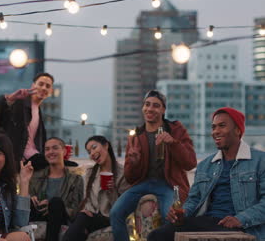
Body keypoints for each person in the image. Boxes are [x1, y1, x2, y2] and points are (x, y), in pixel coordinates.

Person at [148, 107, 265, 241]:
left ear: (238, 130)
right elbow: (194, 199)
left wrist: (240, 219)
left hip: (243, 226)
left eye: (222, 126)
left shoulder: (260, 161)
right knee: (156, 236)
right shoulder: (206, 165)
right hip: (208, 221)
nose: (216, 131)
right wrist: (183, 213)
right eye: (213, 127)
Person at [110, 90, 197, 241]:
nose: (150, 109)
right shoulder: (136, 135)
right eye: (147, 104)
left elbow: (190, 163)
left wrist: (173, 143)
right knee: (115, 212)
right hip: (143, 183)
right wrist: (134, 163)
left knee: (171, 216)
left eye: (156, 106)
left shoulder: (176, 129)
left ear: (163, 110)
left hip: (171, 185)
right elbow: (130, 178)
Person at [63, 136, 130, 241]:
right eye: (89, 151)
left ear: (106, 145)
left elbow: (123, 208)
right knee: (80, 225)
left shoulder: (122, 173)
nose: (92, 153)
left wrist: (111, 191)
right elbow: (87, 199)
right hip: (92, 217)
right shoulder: (90, 173)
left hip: (110, 217)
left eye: (94, 147)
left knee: (81, 221)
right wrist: (87, 211)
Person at [29, 137, 84, 241]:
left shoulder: (76, 179)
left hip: (61, 217)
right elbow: (29, 200)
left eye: (55, 148)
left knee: (56, 202)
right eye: (47, 149)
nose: (51, 152)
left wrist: (51, 206)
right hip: (39, 214)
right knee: (27, 201)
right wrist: (33, 199)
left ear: (64, 151)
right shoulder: (36, 177)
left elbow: (76, 210)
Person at [0, 72, 54, 170]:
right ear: (33, 86)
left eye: (47, 86)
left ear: (51, 91)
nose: (44, 88)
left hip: (32, 160)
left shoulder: (38, 111)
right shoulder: (20, 102)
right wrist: (11, 99)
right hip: (18, 160)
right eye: (40, 84)